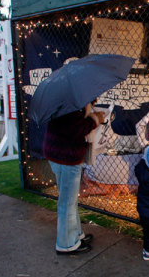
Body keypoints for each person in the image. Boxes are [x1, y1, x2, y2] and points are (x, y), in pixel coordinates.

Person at [43, 102, 105, 255]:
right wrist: (95, 119)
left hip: (59, 155)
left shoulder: (65, 102)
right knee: (67, 204)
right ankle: (66, 244)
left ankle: (75, 235)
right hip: (66, 157)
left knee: (69, 201)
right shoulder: (70, 105)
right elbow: (76, 129)